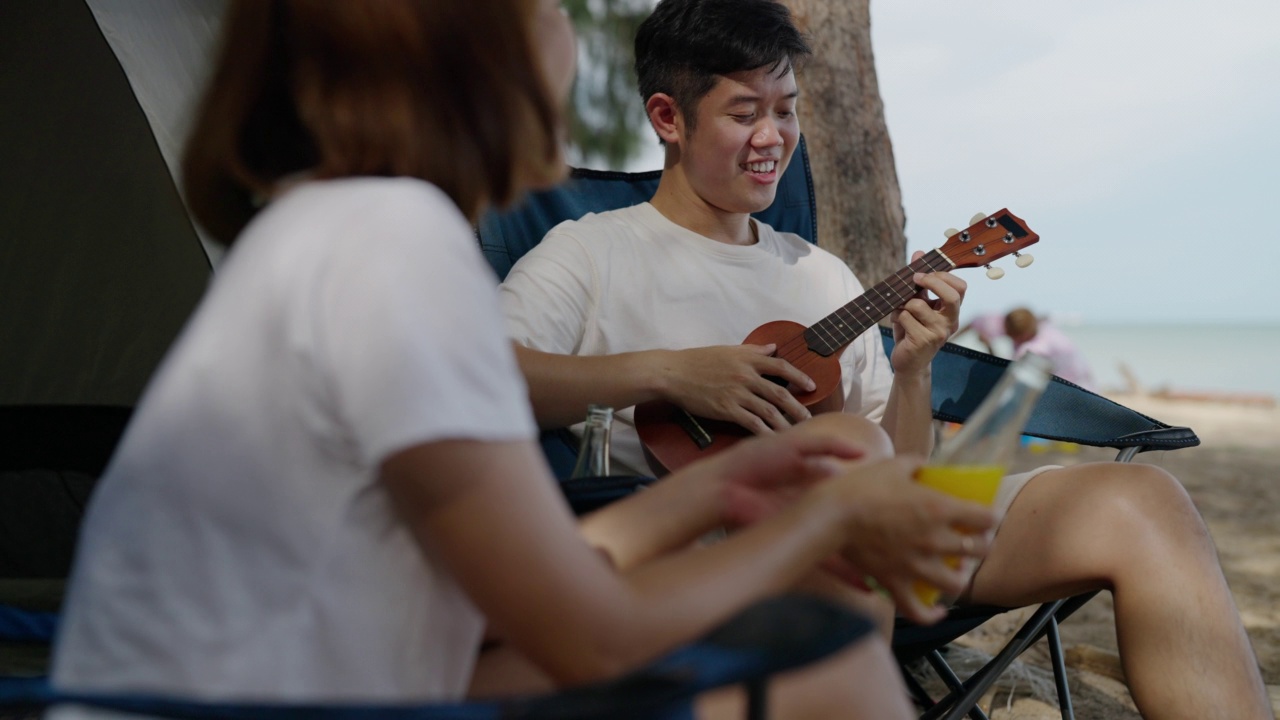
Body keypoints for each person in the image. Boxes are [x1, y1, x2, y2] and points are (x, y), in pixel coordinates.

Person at [47, 2, 997, 719]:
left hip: (305, 679)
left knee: (814, 627)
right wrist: (829, 512)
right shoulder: (391, 251)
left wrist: (730, 482)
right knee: (822, 655)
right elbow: (589, 631)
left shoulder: (333, 226)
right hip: (275, 701)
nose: (568, 37)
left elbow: (553, 566)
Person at [498, 0, 1274, 717]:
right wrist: (666, 372)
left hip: (879, 540)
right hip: (720, 555)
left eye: (786, 109)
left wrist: (912, 371)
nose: (773, 137)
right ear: (668, 117)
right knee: (849, 516)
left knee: (1145, 502)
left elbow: (904, 477)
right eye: (745, 113)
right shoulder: (591, 254)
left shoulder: (818, 273)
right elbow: (487, 376)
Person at [958, 307, 1095, 389]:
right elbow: (976, 321)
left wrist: (988, 347)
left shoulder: (1035, 349)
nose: (1009, 338)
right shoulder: (1034, 324)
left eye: (1012, 337)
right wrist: (948, 340)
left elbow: (1009, 377)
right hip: (1082, 377)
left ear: (1023, 336)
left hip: (1070, 386)